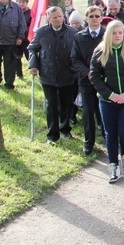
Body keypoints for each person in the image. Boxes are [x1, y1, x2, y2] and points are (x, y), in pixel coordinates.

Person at [90, 20, 124, 183]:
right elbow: (94, 77)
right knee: (110, 133)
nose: (118, 36)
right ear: (108, 34)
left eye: (120, 33)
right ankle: (113, 164)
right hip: (107, 101)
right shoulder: (100, 51)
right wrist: (110, 95)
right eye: (114, 33)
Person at [28, 7, 79, 144]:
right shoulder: (41, 32)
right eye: (54, 17)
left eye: (60, 16)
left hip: (67, 75)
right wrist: (33, 64)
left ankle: (65, 129)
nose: (58, 19)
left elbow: (77, 53)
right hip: (48, 74)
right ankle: (52, 134)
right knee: (52, 104)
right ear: (48, 19)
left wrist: (75, 69)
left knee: (66, 104)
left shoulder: (73, 32)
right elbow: (32, 48)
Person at [71, 5, 105, 155]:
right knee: (88, 112)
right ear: (86, 19)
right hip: (86, 81)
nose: (94, 19)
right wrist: (87, 72)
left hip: (105, 81)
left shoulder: (107, 35)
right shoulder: (79, 37)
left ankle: (107, 136)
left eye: (97, 16)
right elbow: (75, 59)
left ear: (101, 18)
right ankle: (89, 142)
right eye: (91, 16)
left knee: (104, 111)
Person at [0, 0, 26, 91]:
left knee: (10, 65)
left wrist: (20, 37)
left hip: (10, 41)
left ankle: (9, 84)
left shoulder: (16, 8)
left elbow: (22, 24)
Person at [15, 0, 32, 79]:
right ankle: (19, 74)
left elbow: (32, 24)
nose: (21, 4)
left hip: (26, 38)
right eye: (20, 2)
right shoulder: (14, 11)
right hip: (16, 37)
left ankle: (34, 70)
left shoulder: (31, 12)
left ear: (27, 3)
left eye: (23, 2)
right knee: (16, 57)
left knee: (29, 55)